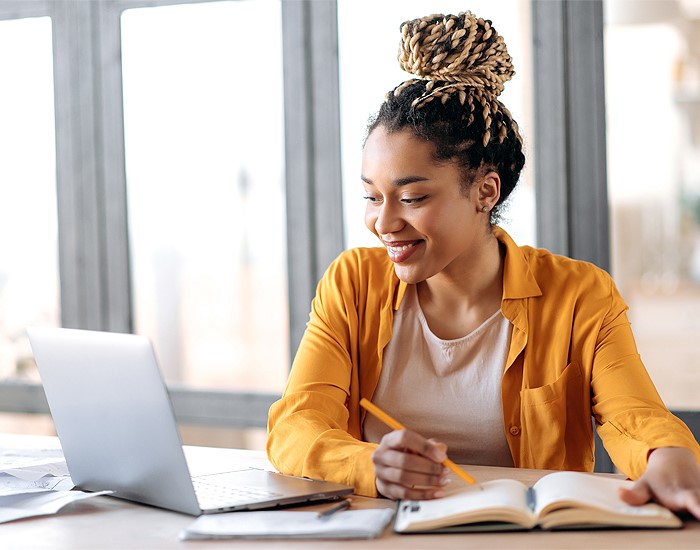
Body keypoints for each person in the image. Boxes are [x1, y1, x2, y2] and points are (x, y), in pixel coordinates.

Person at [266, 11, 700, 517]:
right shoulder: (352, 284)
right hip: (379, 534)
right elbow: (296, 425)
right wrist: (369, 466)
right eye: (371, 196)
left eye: (412, 198)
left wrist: (668, 455)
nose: (382, 222)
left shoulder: (580, 294)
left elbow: (635, 416)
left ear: (485, 191)